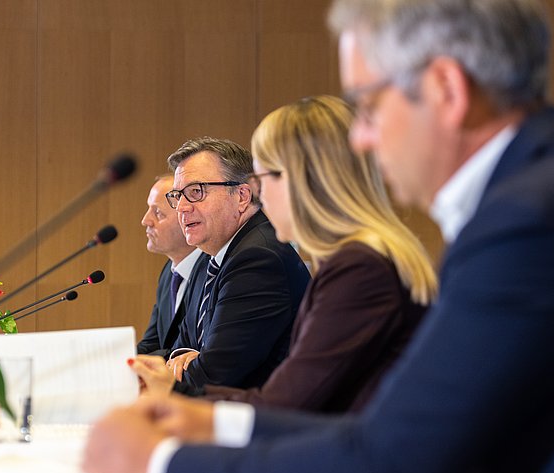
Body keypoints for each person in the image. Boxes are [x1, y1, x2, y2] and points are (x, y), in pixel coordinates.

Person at [83, 1, 554, 473]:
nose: (360, 139)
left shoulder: (528, 224)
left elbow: (394, 457)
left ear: (446, 90)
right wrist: (211, 418)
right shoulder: (552, 192)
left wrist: (158, 467)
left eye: (367, 104)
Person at [130, 95, 436, 414]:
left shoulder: (359, 269)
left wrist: (172, 392)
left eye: (267, 177)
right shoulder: (355, 260)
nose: (260, 194)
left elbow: (288, 401)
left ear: (310, 181)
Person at [162, 137, 311, 389]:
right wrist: (183, 360)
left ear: (242, 195)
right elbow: (179, 347)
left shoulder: (258, 258)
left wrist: (170, 375)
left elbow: (212, 376)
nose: (182, 208)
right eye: (178, 195)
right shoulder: (207, 258)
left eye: (196, 192)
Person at [137, 175, 207, 358]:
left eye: (158, 213)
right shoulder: (169, 273)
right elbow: (152, 343)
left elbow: (192, 350)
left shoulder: (212, 272)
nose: (145, 221)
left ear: (185, 219)